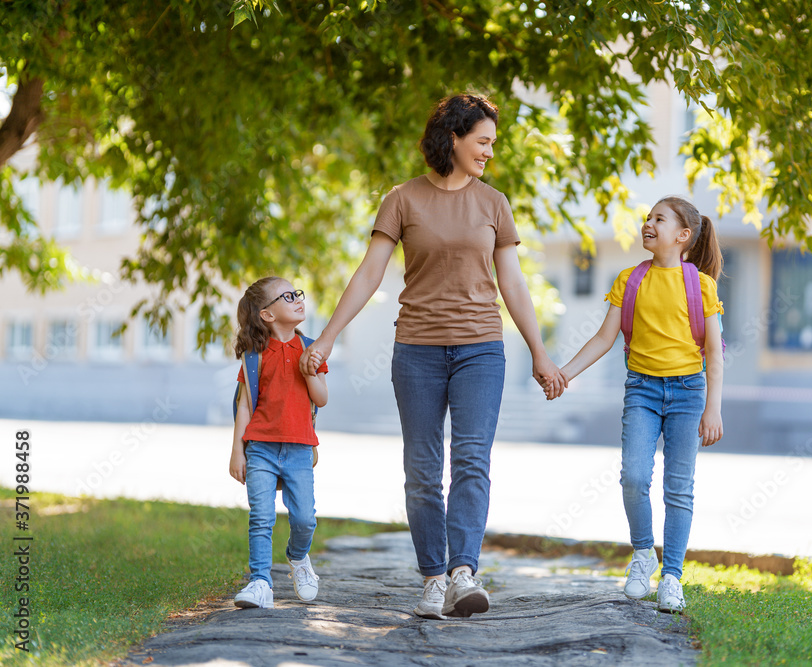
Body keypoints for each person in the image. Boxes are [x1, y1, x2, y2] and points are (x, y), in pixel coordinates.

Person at [301, 93, 566, 620]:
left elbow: (512, 281)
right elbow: (370, 272)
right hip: (416, 351)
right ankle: (432, 577)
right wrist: (327, 336)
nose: (490, 151)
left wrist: (539, 352)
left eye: (493, 142)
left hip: (481, 350)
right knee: (422, 469)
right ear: (453, 138)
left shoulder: (494, 203)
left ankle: (463, 572)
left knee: (471, 459)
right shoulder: (402, 199)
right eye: (483, 141)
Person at [553, 196, 724, 612]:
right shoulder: (631, 279)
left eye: (658, 219)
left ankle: (672, 577)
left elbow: (715, 353)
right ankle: (644, 553)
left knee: (678, 488)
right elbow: (602, 338)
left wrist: (713, 409)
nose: (648, 223)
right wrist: (564, 374)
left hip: (688, 392)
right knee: (633, 477)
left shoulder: (700, 284)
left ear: (683, 235)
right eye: (647, 218)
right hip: (642, 391)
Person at [229, 277, 329, 609]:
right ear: (267, 315)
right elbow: (245, 404)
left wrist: (311, 369)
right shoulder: (254, 356)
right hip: (261, 447)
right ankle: (260, 582)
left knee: (304, 519)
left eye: (297, 293)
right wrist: (236, 451)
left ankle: (298, 558)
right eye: (287, 296)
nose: (298, 299)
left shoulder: (311, 348)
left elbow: (322, 399)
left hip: (299, 448)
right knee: (261, 516)